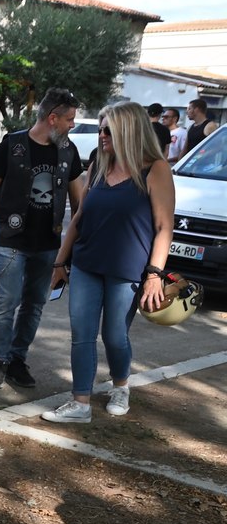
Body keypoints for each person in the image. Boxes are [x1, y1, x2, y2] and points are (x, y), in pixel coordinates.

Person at [40, 102, 175, 423]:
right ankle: (80, 403)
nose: (101, 135)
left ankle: (121, 386)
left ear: (129, 131)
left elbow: (164, 227)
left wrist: (154, 274)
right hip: (86, 264)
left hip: (128, 270)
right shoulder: (99, 165)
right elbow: (79, 218)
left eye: (108, 130)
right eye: (101, 129)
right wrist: (59, 263)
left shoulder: (155, 169)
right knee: (82, 334)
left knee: (115, 336)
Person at [0, 87, 87, 390]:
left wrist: (75, 247)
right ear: (53, 118)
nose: (73, 125)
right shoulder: (12, 145)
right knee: (6, 302)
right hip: (10, 239)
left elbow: (79, 202)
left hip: (48, 244)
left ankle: (17, 360)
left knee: (35, 304)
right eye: (70, 119)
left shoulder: (68, 151)